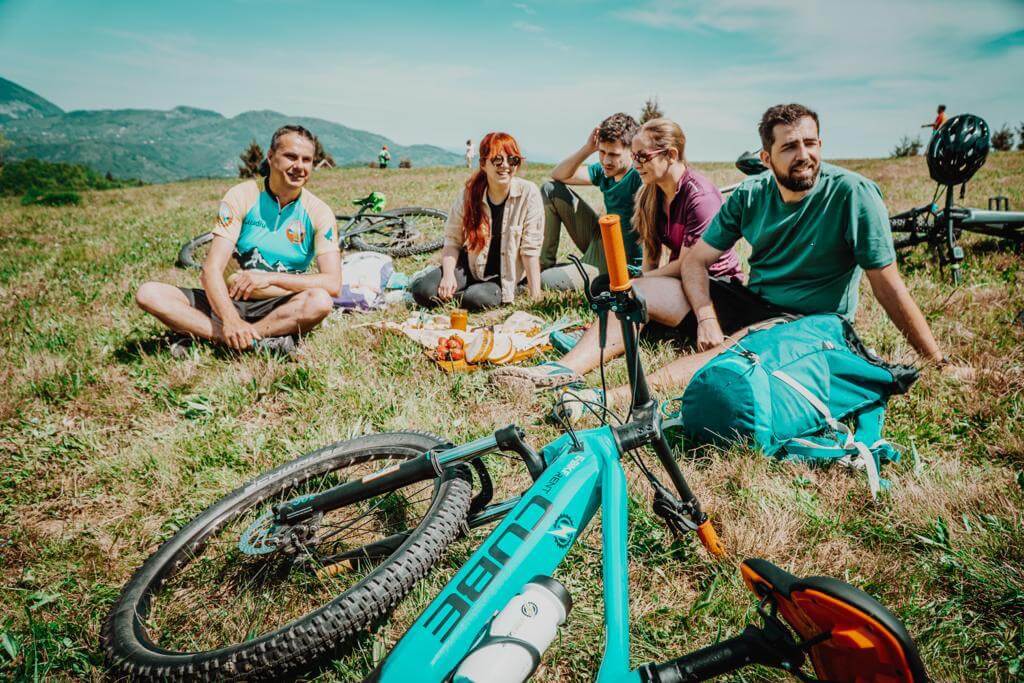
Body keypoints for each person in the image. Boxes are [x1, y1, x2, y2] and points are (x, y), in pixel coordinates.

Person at [554, 103, 958, 417]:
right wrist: (707, 316)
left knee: (732, 348)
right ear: (766, 157)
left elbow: (887, 284)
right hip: (752, 301)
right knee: (637, 291)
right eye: (789, 147)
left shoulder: (853, 194)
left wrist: (936, 360)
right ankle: (563, 371)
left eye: (811, 143)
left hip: (808, 321)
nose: (804, 155)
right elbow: (696, 262)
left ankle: (608, 397)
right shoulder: (752, 195)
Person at [494, 118, 742, 389]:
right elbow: (650, 254)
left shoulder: (699, 197)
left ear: (671, 155)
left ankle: (577, 357)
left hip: (713, 289)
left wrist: (638, 283)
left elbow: (688, 265)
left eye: (642, 156)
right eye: (634, 156)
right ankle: (564, 368)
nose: (636, 164)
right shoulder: (652, 192)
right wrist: (642, 281)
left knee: (628, 291)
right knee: (620, 293)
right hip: (680, 283)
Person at [135, 125, 341, 357]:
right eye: (290, 157)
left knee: (320, 301)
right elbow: (211, 269)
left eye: (307, 160)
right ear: (271, 157)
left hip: (279, 304)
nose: (299, 167)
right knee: (149, 293)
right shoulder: (242, 195)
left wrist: (268, 278)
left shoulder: (319, 212)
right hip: (227, 300)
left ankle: (227, 335)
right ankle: (239, 337)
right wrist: (230, 319)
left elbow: (332, 283)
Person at [410, 132, 543, 310]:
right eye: (497, 160)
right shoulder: (469, 194)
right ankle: (450, 290)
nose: (505, 166)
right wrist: (448, 275)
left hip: (501, 276)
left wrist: (536, 297)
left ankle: (461, 296)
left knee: (477, 298)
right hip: (471, 265)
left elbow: (530, 250)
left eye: (512, 160)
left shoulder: (528, 193)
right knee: (423, 291)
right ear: (483, 164)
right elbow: (453, 240)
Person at [539, 113, 644, 291]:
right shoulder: (604, 170)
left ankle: (554, 273)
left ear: (632, 152)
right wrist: (588, 149)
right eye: (602, 152)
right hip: (600, 237)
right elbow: (558, 175)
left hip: (617, 260)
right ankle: (544, 265)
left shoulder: (638, 176)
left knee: (545, 281)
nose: (606, 160)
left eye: (614, 154)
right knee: (550, 190)